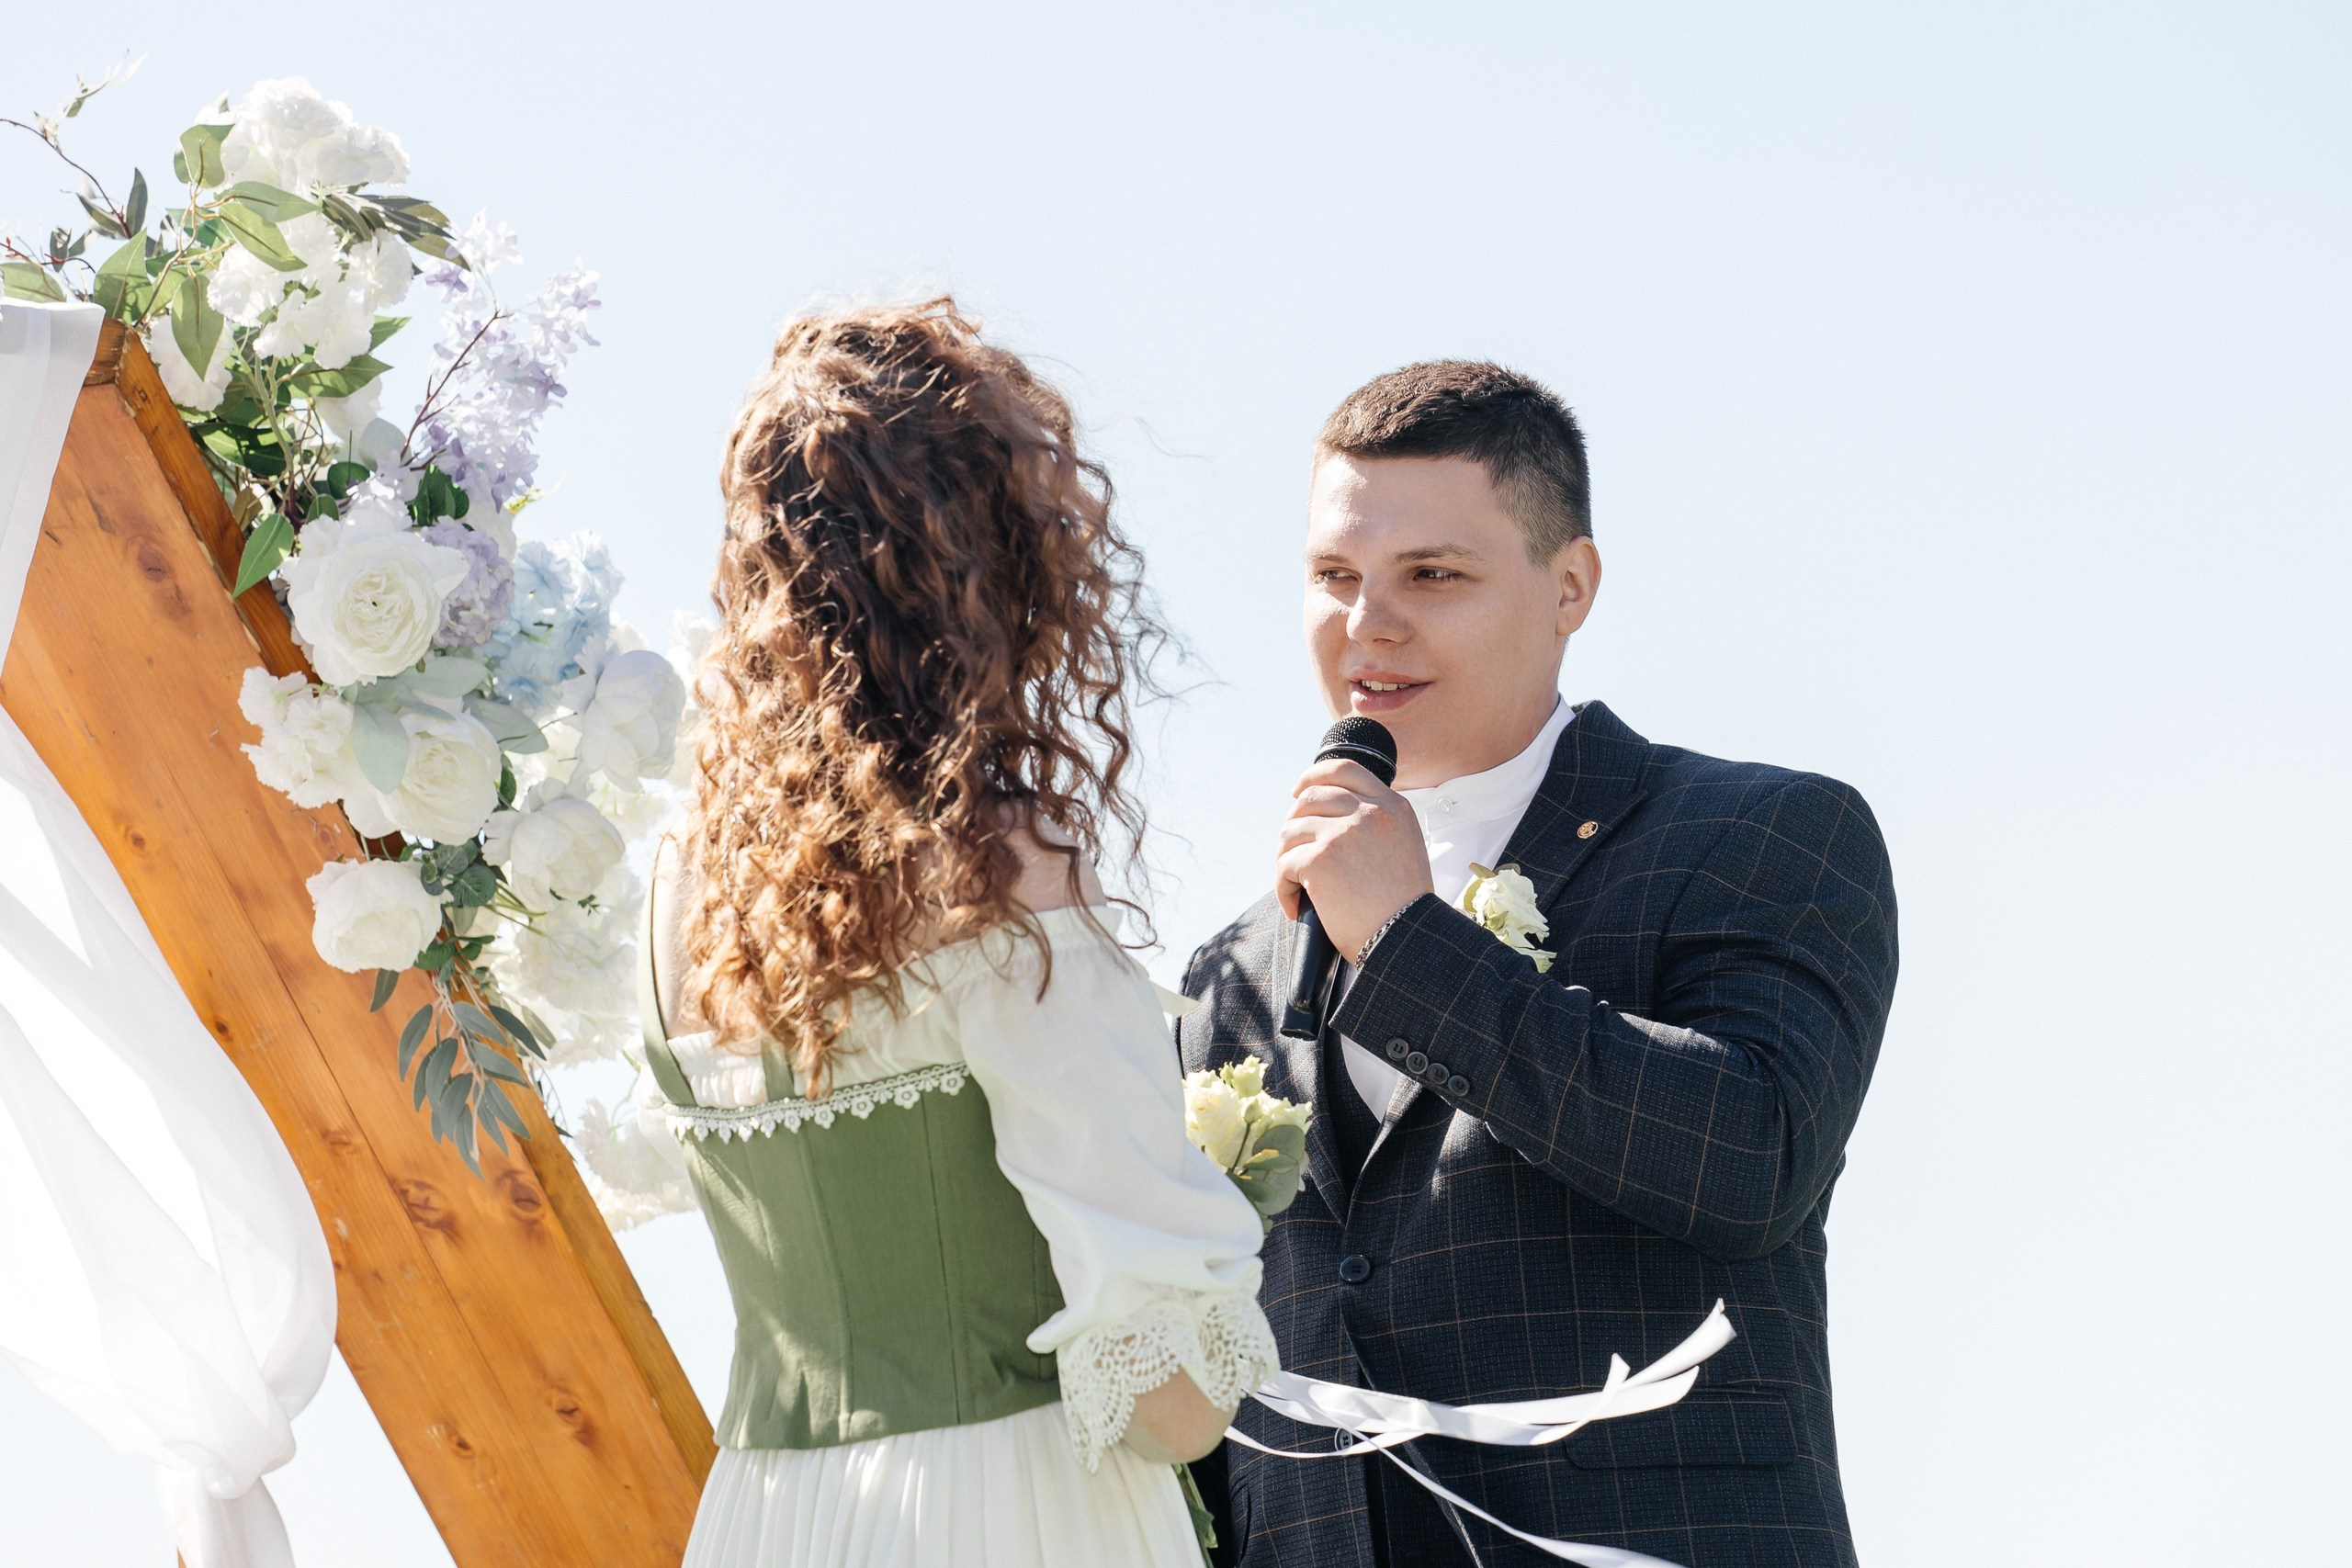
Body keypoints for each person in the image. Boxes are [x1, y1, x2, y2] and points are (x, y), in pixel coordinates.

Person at [1176, 362, 1898, 1567]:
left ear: (1572, 585)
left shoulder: (1755, 837)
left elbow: (1750, 1156)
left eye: (1433, 576)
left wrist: (1409, 942)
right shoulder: (1233, 972)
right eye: (1334, 578)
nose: (1370, 624)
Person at [638, 299, 1277, 1568]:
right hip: (1014, 1512)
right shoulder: (1002, 870)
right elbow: (1174, 1398)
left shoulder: (680, 893)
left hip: (773, 1520)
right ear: (987, 570)